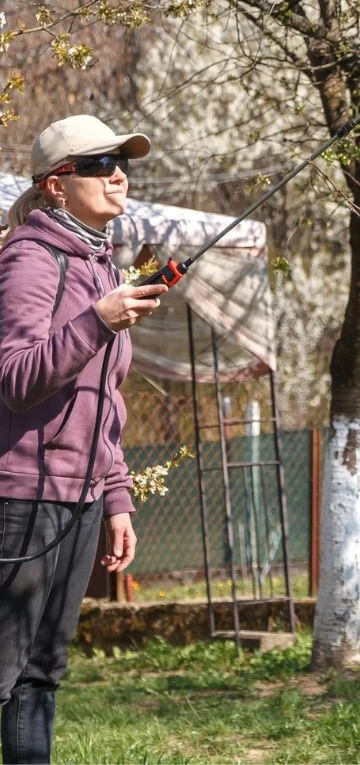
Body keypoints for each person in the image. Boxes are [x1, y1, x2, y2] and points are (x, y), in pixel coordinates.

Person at [0, 115, 166, 764]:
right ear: (56, 185)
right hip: (22, 496)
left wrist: (118, 497)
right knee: (4, 671)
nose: (118, 173)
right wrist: (97, 322)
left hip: (82, 497)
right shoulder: (29, 260)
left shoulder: (101, 266)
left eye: (121, 162)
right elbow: (15, 378)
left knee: (42, 673)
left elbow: (103, 400)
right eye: (99, 164)